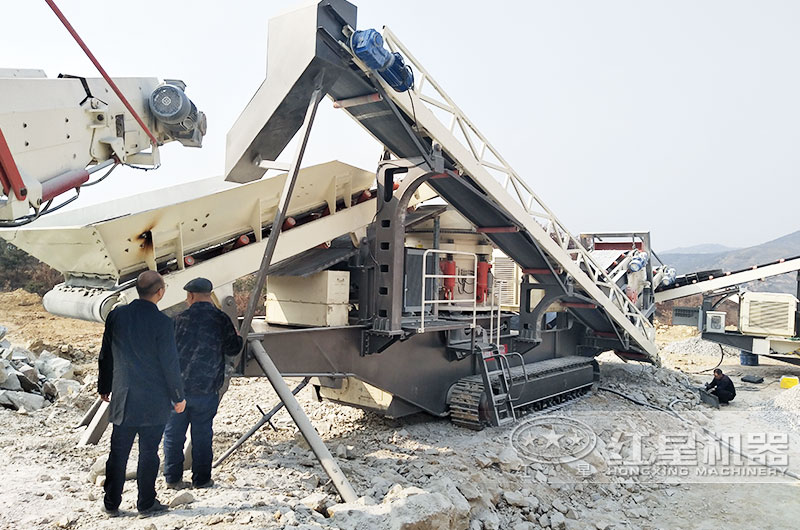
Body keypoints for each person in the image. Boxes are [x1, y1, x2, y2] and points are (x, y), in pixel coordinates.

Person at [98, 270, 186, 517]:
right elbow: (170, 364)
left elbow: (105, 353)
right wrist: (178, 396)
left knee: (118, 452)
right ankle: (146, 503)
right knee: (149, 452)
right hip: (153, 399)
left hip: (123, 396)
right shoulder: (164, 322)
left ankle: (111, 503)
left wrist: (104, 386)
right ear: (160, 292)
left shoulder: (117, 315)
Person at [163, 277, 243, 489]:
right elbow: (234, 349)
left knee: (173, 435)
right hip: (207, 389)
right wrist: (237, 336)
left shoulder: (178, 319)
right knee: (202, 435)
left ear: (190, 296)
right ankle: (202, 479)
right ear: (210, 295)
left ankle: (173, 479)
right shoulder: (221, 319)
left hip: (178, 391)